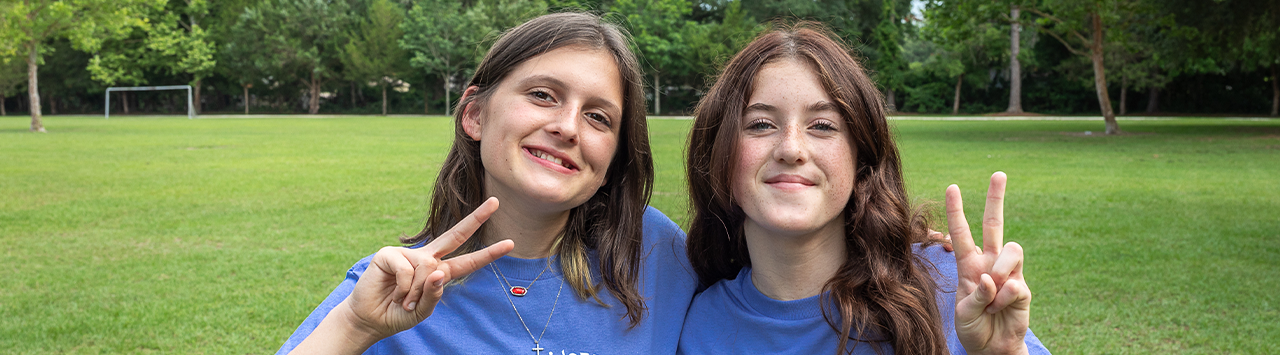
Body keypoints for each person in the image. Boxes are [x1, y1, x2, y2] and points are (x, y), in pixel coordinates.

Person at [277, 12, 697, 354]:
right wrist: (354, 326)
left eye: (598, 117)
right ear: (475, 116)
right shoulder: (390, 290)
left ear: (613, 158)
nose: (568, 127)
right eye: (542, 95)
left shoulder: (659, 253)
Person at [678, 24, 1050, 355]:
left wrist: (1003, 353)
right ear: (719, 156)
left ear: (862, 162)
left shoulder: (950, 287)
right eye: (760, 125)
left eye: (822, 125)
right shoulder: (694, 326)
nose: (791, 148)